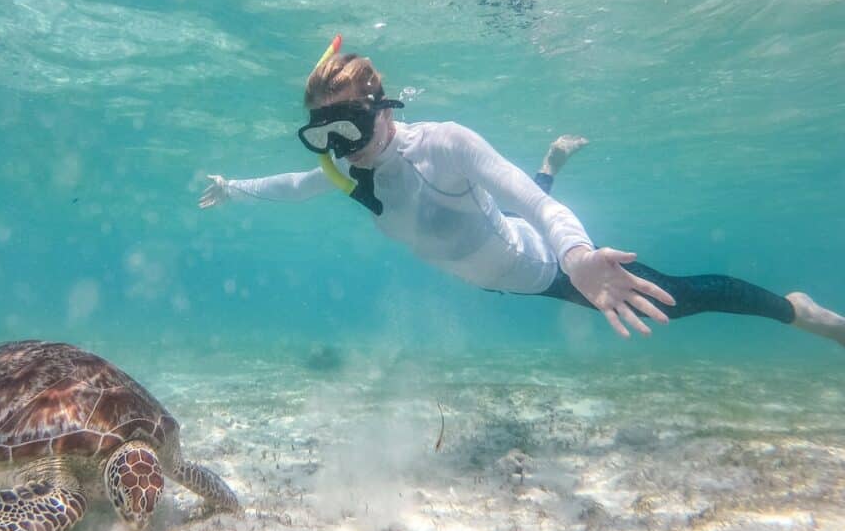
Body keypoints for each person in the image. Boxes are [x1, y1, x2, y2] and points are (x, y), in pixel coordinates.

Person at [199, 50, 845, 346]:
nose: (343, 147)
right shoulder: (348, 172)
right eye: (325, 134)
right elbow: (293, 185)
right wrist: (232, 189)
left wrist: (578, 256)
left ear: (384, 109)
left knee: (678, 297)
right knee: (498, 220)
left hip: (540, 268)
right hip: (489, 266)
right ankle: (551, 162)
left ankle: (799, 310)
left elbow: (538, 213)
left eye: (352, 126)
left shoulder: (447, 144)